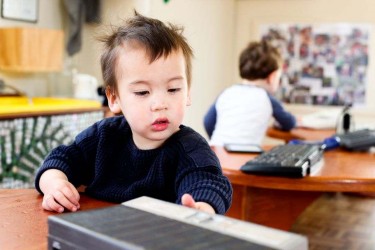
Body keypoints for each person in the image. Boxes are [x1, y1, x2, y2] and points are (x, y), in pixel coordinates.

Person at [35, 11, 232, 215]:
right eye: (142, 92)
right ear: (114, 98)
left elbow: (207, 183)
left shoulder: (191, 149)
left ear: (188, 93)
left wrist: (201, 209)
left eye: (173, 89)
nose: (159, 104)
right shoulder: (103, 136)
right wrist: (54, 183)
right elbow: (63, 158)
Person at [204, 40, 297, 146]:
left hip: (215, 152)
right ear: (272, 77)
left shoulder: (227, 93)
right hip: (245, 156)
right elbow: (289, 123)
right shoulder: (268, 99)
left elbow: (208, 122)